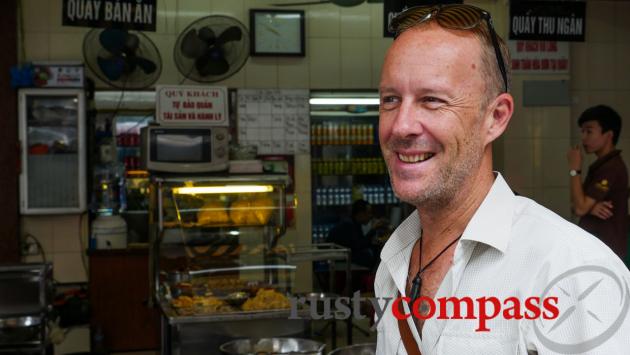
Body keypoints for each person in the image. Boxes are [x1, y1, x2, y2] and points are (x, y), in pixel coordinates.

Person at [375, 4, 630, 355]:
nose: (400, 126)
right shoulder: (393, 261)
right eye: (390, 99)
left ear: (495, 118)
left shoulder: (571, 270)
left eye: (432, 100)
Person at [567, 105, 628, 259]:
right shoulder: (602, 165)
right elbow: (577, 205)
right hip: (599, 247)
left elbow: (580, 208)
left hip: (607, 250)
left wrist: (574, 169)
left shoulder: (611, 167)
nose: (583, 137)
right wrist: (590, 207)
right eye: (582, 131)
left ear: (608, 135)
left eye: (589, 131)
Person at [327, 199, 385, 269]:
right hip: (339, 258)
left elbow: (361, 243)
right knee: (369, 257)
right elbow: (360, 245)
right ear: (360, 214)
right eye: (368, 213)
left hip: (346, 255)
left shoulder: (355, 224)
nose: (371, 216)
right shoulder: (348, 225)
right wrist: (373, 229)